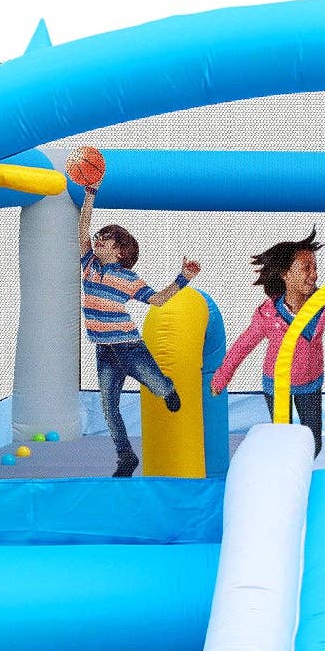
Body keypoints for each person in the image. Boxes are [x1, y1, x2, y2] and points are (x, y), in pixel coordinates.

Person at [75, 148, 201, 477]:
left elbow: (157, 300)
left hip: (129, 347)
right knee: (108, 407)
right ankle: (126, 458)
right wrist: (90, 194)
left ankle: (168, 389)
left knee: (156, 385)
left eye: (105, 240)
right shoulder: (89, 265)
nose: (97, 241)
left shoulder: (128, 279)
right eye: (98, 238)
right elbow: (82, 230)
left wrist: (182, 279)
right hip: (104, 350)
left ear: (120, 251)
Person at [210, 228, 325, 453]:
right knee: (284, 440)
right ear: (285, 274)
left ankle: (300, 466)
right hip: (277, 383)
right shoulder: (268, 314)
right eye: (306, 268)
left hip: (309, 381)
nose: (313, 274)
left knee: (314, 444)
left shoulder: (321, 304)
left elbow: (308, 330)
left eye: (315, 268)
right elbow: (243, 345)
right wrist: (221, 377)